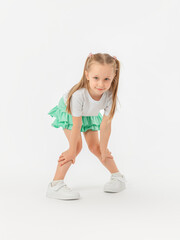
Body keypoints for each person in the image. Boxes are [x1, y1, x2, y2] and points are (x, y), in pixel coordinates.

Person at [46, 52, 127, 200]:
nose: (101, 84)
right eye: (96, 78)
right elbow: (77, 125)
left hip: (89, 112)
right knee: (75, 148)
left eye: (106, 79)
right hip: (71, 112)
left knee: (97, 148)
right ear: (87, 75)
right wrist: (71, 150)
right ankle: (55, 185)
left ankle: (118, 177)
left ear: (113, 77)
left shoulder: (109, 96)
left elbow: (106, 124)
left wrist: (103, 148)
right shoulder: (78, 95)